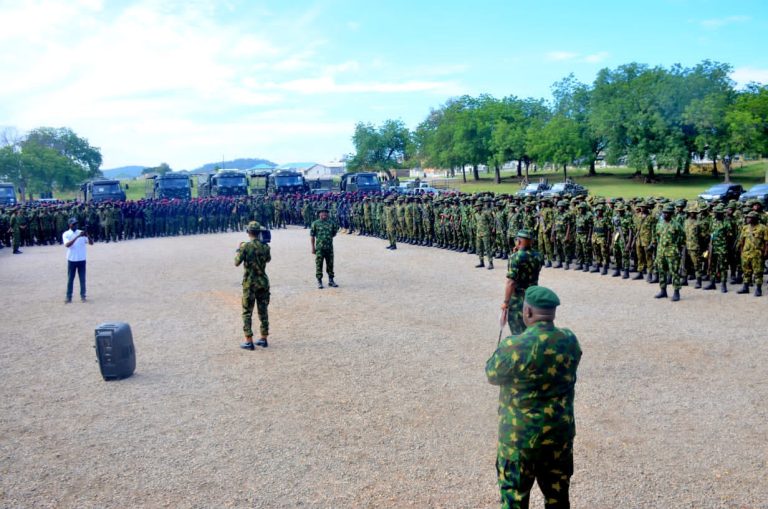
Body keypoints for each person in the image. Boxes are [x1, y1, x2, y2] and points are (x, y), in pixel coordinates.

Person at [486, 286, 582, 509]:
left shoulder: (514, 345)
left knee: (514, 500)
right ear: (552, 313)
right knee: (558, 499)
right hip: (558, 436)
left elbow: (492, 374)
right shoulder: (568, 340)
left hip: (519, 440)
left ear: (527, 312)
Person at [235, 221, 271, 350]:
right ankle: (264, 338)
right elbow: (268, 259)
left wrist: (239, 249)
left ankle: (248, 340)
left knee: (247, 312)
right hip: (263, 281)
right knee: (263, 311)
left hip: (250, 283)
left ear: (248, 232)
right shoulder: (265, 247)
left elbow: (236, 262)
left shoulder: (245, 247)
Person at [501, 229, 544, 336]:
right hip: (533, 296)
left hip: (518, 299)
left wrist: (506, 303)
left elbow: (511, 282)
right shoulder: (538, 256)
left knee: (518, 330)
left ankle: (521, 351)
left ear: (519, 242)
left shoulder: (515, 257)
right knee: (532, 327)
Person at [63, 217, 92, 303]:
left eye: (76, 224)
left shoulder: (81, 232)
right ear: (70, 225)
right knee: (70, 279)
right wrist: (78, 236)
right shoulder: (66, 234)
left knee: (82, 279)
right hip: (72, 259)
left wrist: (88, 236)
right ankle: (69, 296)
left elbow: (91, 243)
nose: (75, 225)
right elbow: (67, 245)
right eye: (74, 224)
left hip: (81, 259)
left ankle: (83, 295)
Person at [310, 207, 339, 289]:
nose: (324, 214)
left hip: (329, 248)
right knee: (319, 264)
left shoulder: (331, 223)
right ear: (319, 214)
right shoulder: (315, 223)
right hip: (319, 248)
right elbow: (312, 236)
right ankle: (319, 281)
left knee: (330, 264)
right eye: (322, 212)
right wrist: (313, 247)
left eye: (325, 212)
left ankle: (331, 280)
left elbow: (334, 233)